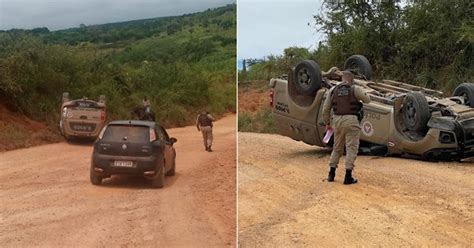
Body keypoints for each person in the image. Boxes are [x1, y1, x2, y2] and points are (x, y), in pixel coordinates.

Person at [321, 71, 371, 185]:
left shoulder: (333, 90)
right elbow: (367, 100)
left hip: (337, 120)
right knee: (351, 148)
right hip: (351, 120)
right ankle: (348, 176)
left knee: (337, 147)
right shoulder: (354, 89)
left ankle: (331, 174)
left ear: (342, 79)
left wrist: (327, 123)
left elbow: (326, 109)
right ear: (351, 80)